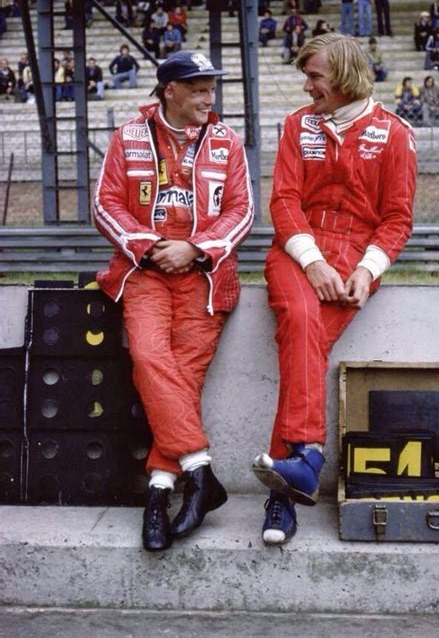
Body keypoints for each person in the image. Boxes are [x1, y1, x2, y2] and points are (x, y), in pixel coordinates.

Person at [251, 33, 416, 545]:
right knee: (301, 322)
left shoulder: (395, 133)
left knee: (303, 340)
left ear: (344, 75)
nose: (307, 87)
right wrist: (313, 260)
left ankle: (288, 488)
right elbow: (283, 202)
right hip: (297, 248)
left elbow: (397, 219)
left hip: (355, 256)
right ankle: (308, 452)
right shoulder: (298, 126)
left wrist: (366, 271)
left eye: (315, 77)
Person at [93, 51, 254, 551]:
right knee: (147, 357)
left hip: (206, 281)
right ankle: (200, 470)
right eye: (200, 89)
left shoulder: (228, 142)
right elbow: (106, 203)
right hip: (144, 271)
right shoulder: (128, 137)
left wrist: (196, 249)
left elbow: (242, 211)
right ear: (171, 92)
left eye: (212, 88)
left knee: (181, 380)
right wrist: (147, 246)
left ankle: (161, 492)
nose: (210, 98)